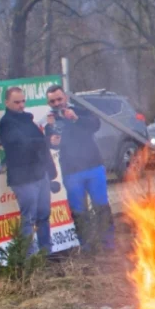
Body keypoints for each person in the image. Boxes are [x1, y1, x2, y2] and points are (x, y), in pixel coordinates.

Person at [45, 85, 114, 251]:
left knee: (101, 205)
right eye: (52, 101)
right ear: (49, 103)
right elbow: (51, 144)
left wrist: (76, 118)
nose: (57, 103)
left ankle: (108, 243)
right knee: (78, 211)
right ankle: (87, 246)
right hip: (71, 172)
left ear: (65, 97)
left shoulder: (80, 111)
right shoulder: (50, 122)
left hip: (93, 166)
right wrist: (52, 142)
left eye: (59, 99)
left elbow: (95, 125)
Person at [0, 87, 57, 256]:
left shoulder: (27, 119)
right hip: (23, 178)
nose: (21, 105)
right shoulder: (6, 123)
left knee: (43, 215)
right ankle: (29, 258)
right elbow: (22, 144)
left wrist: (50, 171)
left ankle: (46, 253)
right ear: (7, 103)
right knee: (29, 219)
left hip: (40, 174)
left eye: (23, 101)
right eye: (17, 102)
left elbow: (39, 145)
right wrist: (45, 139)